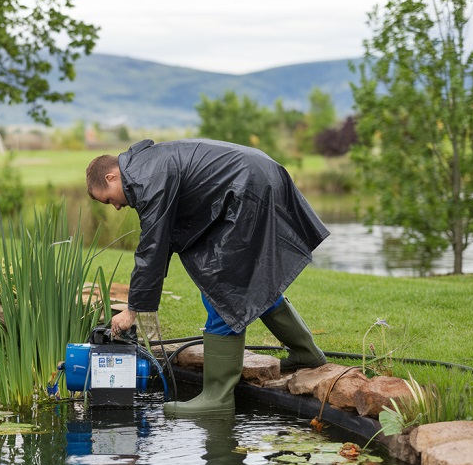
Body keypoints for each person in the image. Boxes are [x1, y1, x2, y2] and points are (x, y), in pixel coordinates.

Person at [86, 138, 328, 416]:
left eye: (108, 199)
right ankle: (306, 353)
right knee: (246, 283)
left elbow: (152, 247)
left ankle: (217, 397)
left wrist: (133, 310)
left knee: (222, 287)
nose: (115, 207)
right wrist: (139, 303)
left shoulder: (146, 178)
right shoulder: (145, 169)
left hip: (248, 188)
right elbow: (161, 243)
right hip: (254, 178)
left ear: (111, 176)